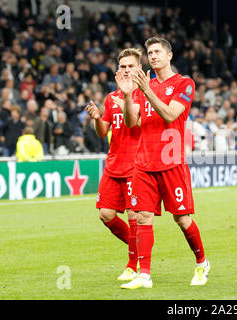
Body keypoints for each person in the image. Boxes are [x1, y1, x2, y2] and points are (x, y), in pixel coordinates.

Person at [119, 37, 209, 289]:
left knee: (181, 219)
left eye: (158, 51)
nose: (153, 56)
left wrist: (146, 90)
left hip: (171, 163)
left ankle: (201, 262)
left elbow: (170, 114)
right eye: (149, 52)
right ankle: (144, 275)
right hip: (144, 163)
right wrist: (128, 96)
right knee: (143, 216)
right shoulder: (140, 87)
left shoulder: (184, 83)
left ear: (169, 55)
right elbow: (130, 123)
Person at [85, 48, 144, 282]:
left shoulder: (144, 95)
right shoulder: (111, 98)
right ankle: (140, 248)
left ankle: (133, 264)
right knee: (106, 215)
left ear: (139, 68)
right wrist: (98, 119)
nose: (127, 70)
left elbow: (139, 126)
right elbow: (103, 133)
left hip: (136, 164)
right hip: (113, 164)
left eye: (131, 66)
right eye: (123, 67)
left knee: (133, 215)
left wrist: (126, 106)